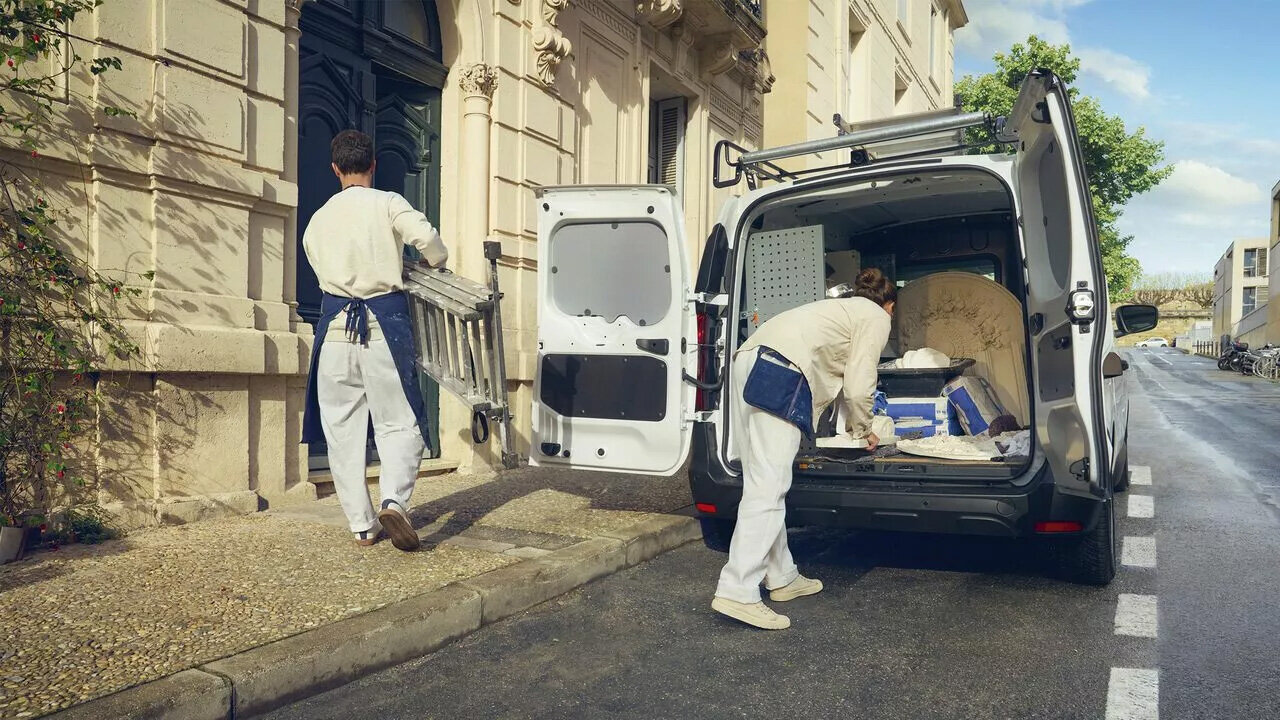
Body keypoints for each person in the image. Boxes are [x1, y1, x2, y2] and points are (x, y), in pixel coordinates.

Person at [711, 267, 896, 630]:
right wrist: (866, 429)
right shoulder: (876, 317)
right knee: (769, 486)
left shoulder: (840, 309)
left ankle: (781, 576)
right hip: (782, 370)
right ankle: (737, 589)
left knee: (762, 479)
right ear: (889, 305)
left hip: (749, 360)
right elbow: (860, 385)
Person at [300, 129, 448, 551]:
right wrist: (432, 260)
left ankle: (363, 526)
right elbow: (430, 242)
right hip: (383, 325)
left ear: (334, 169)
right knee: (398, 419)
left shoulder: (318, 219)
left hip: (333, 332)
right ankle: (394, 501)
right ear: (374, 165)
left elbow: (317, 266)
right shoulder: (388, 202)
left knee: (342, 429)